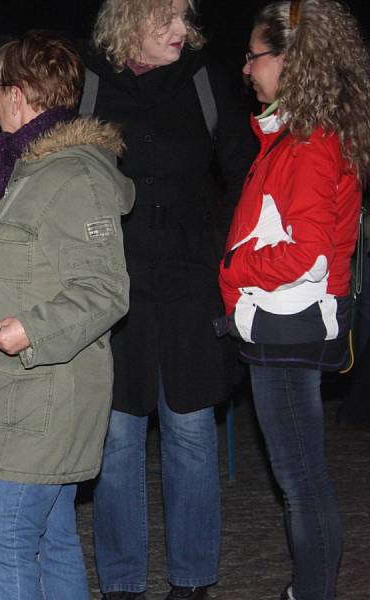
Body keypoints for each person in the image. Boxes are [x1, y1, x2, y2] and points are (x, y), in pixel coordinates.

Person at [0, 31, 134, 600]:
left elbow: (105, 290)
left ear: (18, 94)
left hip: (50, 393)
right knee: (50, 537)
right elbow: (3, 284)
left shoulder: (76, 176)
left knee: (4, 539)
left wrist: (30, 329)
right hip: (12, 391)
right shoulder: (20, 173)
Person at [86, 0, 258, 598]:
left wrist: (218, 247)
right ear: (129, 21)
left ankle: (192, 580)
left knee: (189, 429)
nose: (183, 31)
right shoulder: (91, 88)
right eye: (167, 19)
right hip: (116, 286)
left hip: (190, 283)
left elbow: (246, 174)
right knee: (119, 433)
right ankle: (123, 582)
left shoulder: (204, 84)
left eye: (185, 18)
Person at [217, 1, 370, 598]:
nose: (247, 70)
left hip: (285, 328)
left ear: (290, 60)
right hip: (288, 325)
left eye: (255, 57)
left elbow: (305, 253)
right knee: (300, 478)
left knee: (301, 481)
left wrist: (234, 265)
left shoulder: (307, 145)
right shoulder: (302, 137)